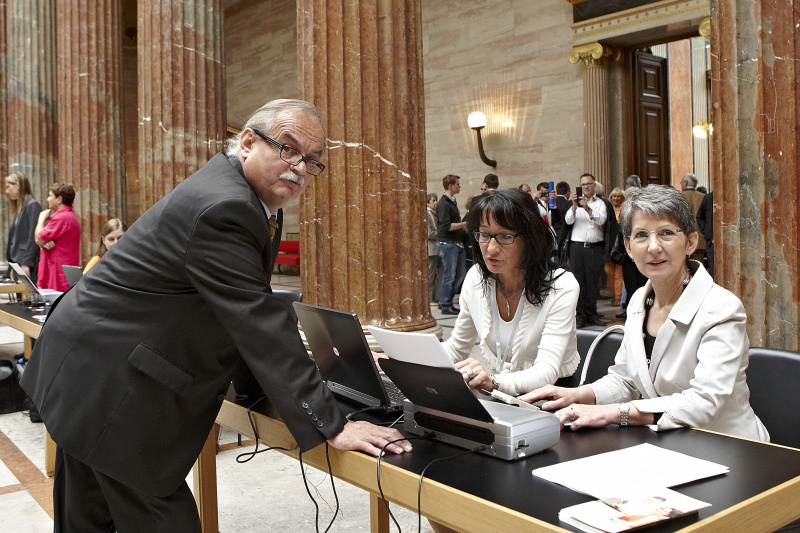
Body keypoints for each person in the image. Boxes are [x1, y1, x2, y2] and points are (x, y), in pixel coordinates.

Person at [20, 99, 411, 532]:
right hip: (115, 391)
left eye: (312, 161)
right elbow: (258, 321)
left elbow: (227, 308)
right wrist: (332, 423)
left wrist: (255, 385)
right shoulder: (225, 206)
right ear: (247, 141)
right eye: (287, 148)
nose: (299, 167)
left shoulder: (241, 194)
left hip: (83, 374)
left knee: (87, 519)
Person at [522, 185, 769, 442]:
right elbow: (625, 381)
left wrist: (614, 413)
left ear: (691, 242)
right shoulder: (639, 300)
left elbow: (704, 401)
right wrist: (577, 395)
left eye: (666, 233)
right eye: (641, 235)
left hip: (730, 446)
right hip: (671, 443)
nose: (653, 247)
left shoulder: (721, 308)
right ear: (628, 247)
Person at [442, 189, 580, 395]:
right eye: (485, 235)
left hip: (551, 399)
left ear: (529, 239)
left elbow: (546, 371)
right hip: (499, 392)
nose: (491, 249)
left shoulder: (561, 286)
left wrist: (494, 382)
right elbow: (457, 347)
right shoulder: (476, 278)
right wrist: (401, 358)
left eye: (505, 236)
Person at [564, 173, 607, 328]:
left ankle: (592, 315)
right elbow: (568, 220)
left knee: (592, 283)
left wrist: (587, 208)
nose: (586, 187)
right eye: (583, 184)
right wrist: (575, 206)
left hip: (594, 249)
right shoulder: (573, 204)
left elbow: (601, 220)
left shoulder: (601, 203)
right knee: (578, 282)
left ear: (594, 186)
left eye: (588, 184)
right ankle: (580, 316)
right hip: (577, 248)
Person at [34, 183, 81, 291]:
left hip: (59, 276)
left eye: (50, 196)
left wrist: (41, 219)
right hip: (61, 273)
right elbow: (41, 240)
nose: (47, 199)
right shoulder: (68, 216)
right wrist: (44, 243)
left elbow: (38, 238)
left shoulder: (62, 217)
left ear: (59, 199)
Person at [436, 174, 467, 315]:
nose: (459, 186)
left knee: (460, 275)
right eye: (458, 184)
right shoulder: (443, 204)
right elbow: (445, 226)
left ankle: (445, 301)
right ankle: (446, 303)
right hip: (448, 244)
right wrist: (465, 224)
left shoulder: (451, 202)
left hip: (455, 243)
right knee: (449, 276)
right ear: (451, 185)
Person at [4, 173, 42, 283]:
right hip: (18, 263)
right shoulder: (21, 207)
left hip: (26, 264)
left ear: (17, 185)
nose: (6, 191)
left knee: (28, 298)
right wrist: (12, 266)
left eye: (8, 187)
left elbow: (32, 237)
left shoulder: (32, 205)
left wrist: (26, 264)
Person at [604, 187, 625, 306]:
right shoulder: (607, 209)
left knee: (619, 273)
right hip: (609, 244)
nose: (616, 198)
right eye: (614, 196)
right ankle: (615, 293)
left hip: (619, 245)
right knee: (608, 270)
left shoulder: (624, 210)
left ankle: (618, 297)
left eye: (618, 196)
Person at [680, 173, 706, 262]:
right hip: (701, 238)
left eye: (682, 183)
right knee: (699, 266)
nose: (681, 185)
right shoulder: (703, 197)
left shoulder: (679, 197)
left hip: (683, 238)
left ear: (686, 183)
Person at [427, 193, 442, 303]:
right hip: (432, 249)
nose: (436, 203)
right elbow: (429, 233)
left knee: (442, 272)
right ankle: (430, 298)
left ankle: (437, 296)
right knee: (431, 275)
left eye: (436, 200)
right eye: (433, 201)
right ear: (427, 203)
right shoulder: (427, 214)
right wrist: (442, 232)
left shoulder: (435, 214)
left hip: (439, 248)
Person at [696, 191, 714, 278]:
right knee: (713, 266)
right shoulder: (709, 197)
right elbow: (700, 216)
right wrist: (705, 230)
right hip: (711, 237)